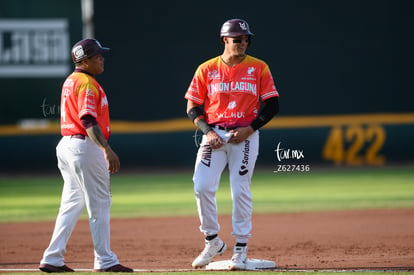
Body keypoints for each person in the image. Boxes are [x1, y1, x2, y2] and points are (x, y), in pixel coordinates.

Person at [185, 19, 279, 270]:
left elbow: (272, 105)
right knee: (201, 185)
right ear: (225, 40)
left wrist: (250, 128)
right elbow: (192, 107)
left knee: (240, 191)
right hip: (214, 134)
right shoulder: (206, 69)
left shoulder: (258, 67)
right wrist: (208, 132)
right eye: (237, 39)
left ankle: (241, 249)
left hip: (244, 135)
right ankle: (212, 240)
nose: (243, 43)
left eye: (246, 39)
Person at [39, 38, 133, 273]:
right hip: (84, 146)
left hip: (67, 145)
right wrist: (106, 149)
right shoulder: (87, 84)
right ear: (85, 60)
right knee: (100, 203)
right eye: (98, 56)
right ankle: (105, 260)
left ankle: (52, 257)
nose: (102, 59)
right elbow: (88, 119)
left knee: (71, 204)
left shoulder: (71, 80)